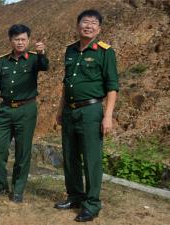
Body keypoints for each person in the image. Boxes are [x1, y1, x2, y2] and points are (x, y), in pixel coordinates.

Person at [54, 9, 119, 222]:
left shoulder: (105, 52)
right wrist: (60, 109)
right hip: (69, 110)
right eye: (84, 22)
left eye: (93, 23)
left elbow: (112, 87)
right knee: (70, 155)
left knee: (91, 158)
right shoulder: (70, 50)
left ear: (99, 29)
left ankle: (92, 204)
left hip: (91, 111)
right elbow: (67, 83)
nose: (88, 26)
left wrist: (107, 116)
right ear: (77, 26)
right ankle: (75, 196)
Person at [0, 24, 49, 203]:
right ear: (10, 40)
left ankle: (18, 189)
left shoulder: (34, 59)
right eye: (16, 39)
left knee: (23, 150)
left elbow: (45, 66)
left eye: (23, 39)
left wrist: (42, 53)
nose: (20, 42)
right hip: (5, 110)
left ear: (28, 40)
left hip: (26, 110)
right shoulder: (2, 61)